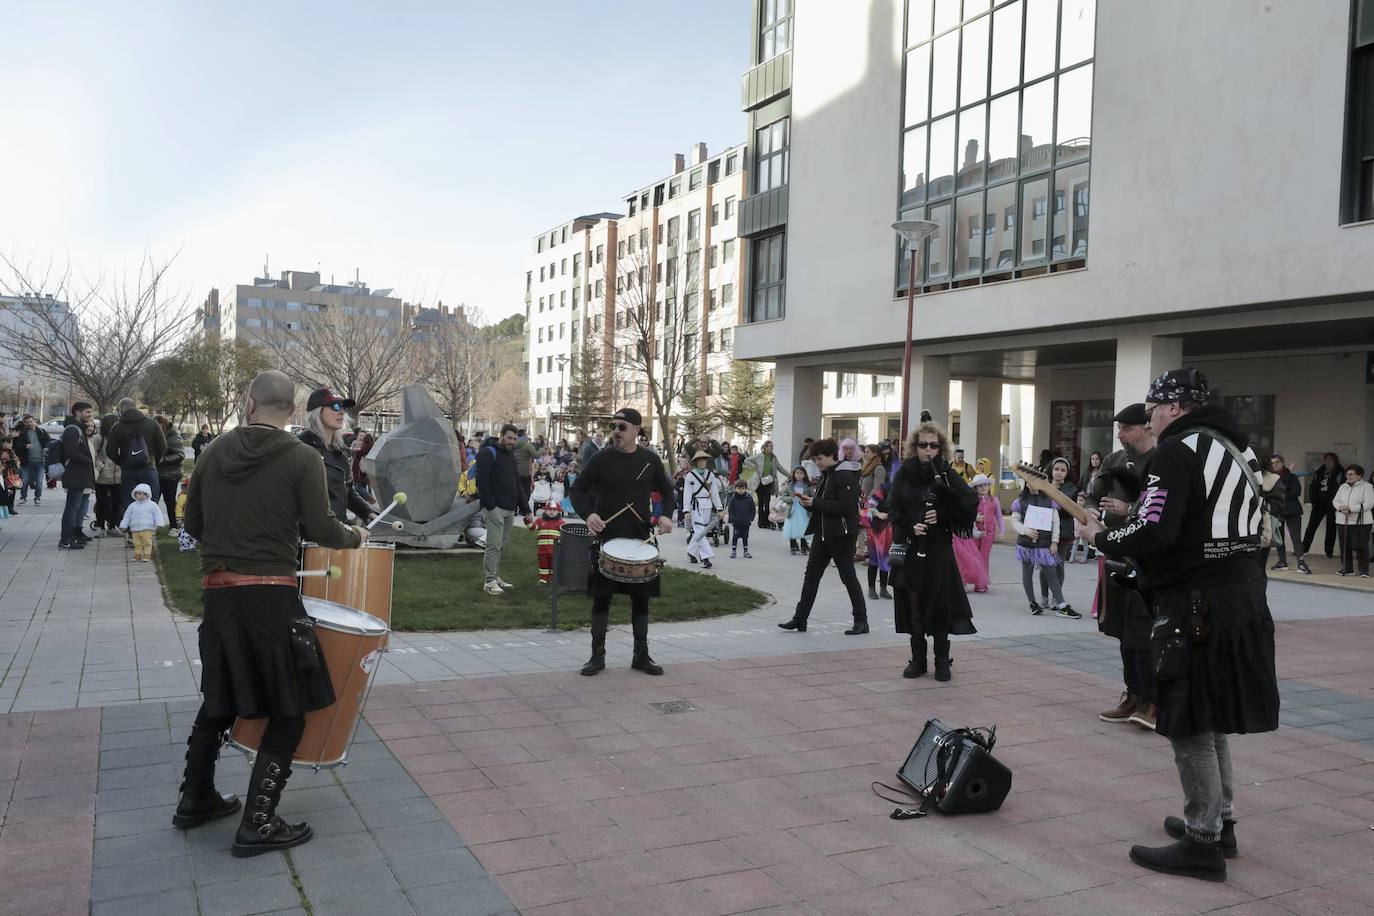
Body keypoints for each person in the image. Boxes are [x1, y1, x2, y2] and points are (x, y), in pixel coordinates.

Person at [1081, 368, 1279, 882]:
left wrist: (1102, 538)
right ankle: (1219, 822)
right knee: (1210, 714)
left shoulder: (1177, 449)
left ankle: (1202, 842)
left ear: (1173, 407)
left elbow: (1155, 529)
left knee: (1188, 718)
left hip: (1197, 606)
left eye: (1152, 409)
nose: (1149, 417)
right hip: (1242, 596)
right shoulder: (1240, 449)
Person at [177, 369, 368, 857]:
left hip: (218, 593)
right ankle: (257, 823)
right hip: (271, 595)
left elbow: (193, 519)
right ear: (291, 410)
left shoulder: (215, 450)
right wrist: (355, 537)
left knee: (220, 697)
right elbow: (322, 526)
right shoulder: (302, 457)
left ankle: (194, 797)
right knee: (289, 708)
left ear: (248, 402)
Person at [568, 408, 676, 676]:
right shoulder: (601, 459)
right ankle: (597, 655)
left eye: (621, 427)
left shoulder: (650, 461)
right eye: (613, 426)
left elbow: (668, 491)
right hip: (607, 535)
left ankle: (641, 655)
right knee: (601, 597)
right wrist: (589, 514)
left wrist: (665, 516)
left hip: (641, 537)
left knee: (641, 599)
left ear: (637, 431)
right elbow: (578, 489)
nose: (615, 431)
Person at [887, 423, 978, 680]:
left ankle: (941, 661)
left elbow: (970, 500)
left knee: (939, 605)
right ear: (914, 447)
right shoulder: (903, 474)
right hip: (912, 549)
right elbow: (893, 508)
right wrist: (909, 525)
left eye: (934, 445)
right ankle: (918, 660)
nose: (928, 450)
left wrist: (943, 514)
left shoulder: (946, 473)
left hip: (938, 549)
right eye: (923, 445)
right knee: (914, 606)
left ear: (941, 449)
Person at [1087, 403, 1159, 730]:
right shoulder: (1116, 461)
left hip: (1148, 561)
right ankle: (1132, 694)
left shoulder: (1163, 461)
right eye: (1119, 428)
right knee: (1122, 631)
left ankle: (1152, 701)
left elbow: (1162, 513)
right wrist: (1088, 513)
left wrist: (1128, 508)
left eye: (1127, 428)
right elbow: (1093, 492)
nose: (1120, 434)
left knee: (1146, 633)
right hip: (1114, 554)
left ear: (1146, 426)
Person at [777, 438, 869, 635]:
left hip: (842, 535)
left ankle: (861, 620)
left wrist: (815, 503)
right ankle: (800, 619)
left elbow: (847, 507)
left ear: (831, 456)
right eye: (815, 459)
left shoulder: (844, 475)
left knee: (848, 576)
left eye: (819, 458)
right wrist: (810, 502)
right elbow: (824, 503)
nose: (817, 462)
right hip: (823, 533)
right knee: (811, 576)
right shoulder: (827, 475)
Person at [296, 388, 377, 527]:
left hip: (337, 534)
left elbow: (347, 492)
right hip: (308, 537)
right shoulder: (300, 446)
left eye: (343, 407)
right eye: (335, 406)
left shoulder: (341, 450)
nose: (342, 411)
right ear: (318, 411)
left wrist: (368, 512)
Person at [1011, 483, 1076, 617]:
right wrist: (1026, 531)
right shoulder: (1020, 501)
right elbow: (1014, 521)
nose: (1032, 484)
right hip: (1026, 544)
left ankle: (1062, 605)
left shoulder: (1049, 501)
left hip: (1044, 545)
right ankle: (1032, 603)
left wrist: (1054, 542)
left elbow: (1055, 523)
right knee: (1027, 573)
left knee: (1051, 573)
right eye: (1029, 481)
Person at [474, 425, 521, 595]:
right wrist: (490, 505)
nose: (512, 442)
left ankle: (495, 576)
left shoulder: (511, 456)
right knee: (493, 545)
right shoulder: (488, 453)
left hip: (509, 508)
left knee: (501, 545)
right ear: (501, 436)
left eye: (515, 439)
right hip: (494, 508)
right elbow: (482, 481)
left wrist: (525, 508)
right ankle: (489, 581)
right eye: (509, 438)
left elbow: (517, 484)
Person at [106, 398, 166, 517]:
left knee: (129, 501)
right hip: (148, 467)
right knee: (151, 499)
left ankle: (132, 529)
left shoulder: (117, 427)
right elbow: (162, 445)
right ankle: (149, 528)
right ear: (135, 407)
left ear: (121, 409)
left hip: (128, 470)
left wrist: (121, 462)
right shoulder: (151, 423)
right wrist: (155, 460)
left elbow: (110, 450)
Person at [1039, 458, 1080, 608]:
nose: (1059, 473)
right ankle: (1043, 596)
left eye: (1063, 470)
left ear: (1067, 473)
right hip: (1044, 532)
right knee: (1044, 565)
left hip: (1063, 532)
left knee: (1058, 564)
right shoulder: (1042, 486)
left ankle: (1056, 597)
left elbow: (1064, 508)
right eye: (1056, 469)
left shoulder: (1071, 489)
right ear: (1051, 470)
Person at [58, 402, 96, 549]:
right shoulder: (72, 430)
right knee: (72, 508)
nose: (90, 415)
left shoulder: (79, 428)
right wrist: (88, 460)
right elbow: (71, 452)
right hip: (75, 475)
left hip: (80, 474)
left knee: (76, 507)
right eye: (87, 412)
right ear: (77, 413)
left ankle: (73, 536)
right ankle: (66, 539)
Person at [1267, 455, 1310, 574]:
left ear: (1282, 463)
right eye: (1273, 463)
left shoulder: (1291, 477)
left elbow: (1296, 492)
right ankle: (1282, 561)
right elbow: (1268, 492)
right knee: (1279, 539)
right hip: (1277, 511)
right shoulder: (1270, 478)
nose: (1275, 465)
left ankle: (1301, 563)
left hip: (1292, 511)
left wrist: (1278, 494)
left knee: (1296, 538)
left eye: (1277, 462)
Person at [684, 449, 724, 569]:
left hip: (707, 505)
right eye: (699, 460)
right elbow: (687, 494)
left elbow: (715, 493)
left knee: (701, 531)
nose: (702, 462)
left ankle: (691, 552)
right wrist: (686, 510)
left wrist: (720, 508)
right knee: (700, 531)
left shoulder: (710, 475)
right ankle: (705, 558)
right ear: (695, 462)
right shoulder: (690, 476)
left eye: (704, 460)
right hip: (695, 506)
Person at [1333, 464, 1372, 577]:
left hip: (1361, 522)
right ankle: (1347, 568)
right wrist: (1341, 507)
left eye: (1351, 474)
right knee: (1345, 546)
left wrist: (1351, 509)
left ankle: (1364, 570)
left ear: (1359, 476)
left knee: (1361, 546)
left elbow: (1369, 503)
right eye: (1347, 474)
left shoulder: (1367, 486)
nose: (1348, 476)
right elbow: (1335, 501)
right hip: (1342, 521)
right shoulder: (1342, 487)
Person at [1302, 452, 1344, 559]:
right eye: (1326, 460)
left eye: (1330, 460)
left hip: (1332, 504)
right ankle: (1304, 549)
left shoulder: (1340, 472)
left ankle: (1329, 551)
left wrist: (1336, 502)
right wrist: (1313, 499)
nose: (1328, 462)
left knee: (1331, 528)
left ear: (1335, 462)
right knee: (1311, 526)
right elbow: (1313, 485)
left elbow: (1340, 487)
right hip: (1318, 503)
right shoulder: (1320, 471)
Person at [744, 440, 785, 530]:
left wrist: (791, 475)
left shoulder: (773, 457)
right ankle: (761, 522)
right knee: (761, 502)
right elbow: (747, 460)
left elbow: (780, 468)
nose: (772, 448)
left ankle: (767, 521)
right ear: (765, 447)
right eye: (770, 446)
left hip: (769, 482)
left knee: (767, 502)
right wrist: (755, 467)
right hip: (760, 482)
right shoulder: (759, 456)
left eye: (772, 446)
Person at [91, 414, 120, 536]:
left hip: (117, 475)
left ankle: (112, 526)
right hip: (103, 475)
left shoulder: (120, 438)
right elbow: (93, 454)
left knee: (116, 502)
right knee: (101, 502)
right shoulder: (99, 438)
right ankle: (100, 526)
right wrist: (101, 465)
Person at [155, 416, 186, 530]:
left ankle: (173, 526)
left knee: (170, 502)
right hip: (157, 474)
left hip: (171, 475)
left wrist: (163, 460)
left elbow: (180, 455)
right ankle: (153, 525)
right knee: (153, 501)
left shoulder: (174, 438)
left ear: (162, 425)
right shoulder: (156, 435)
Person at [862, 488, 893, 599]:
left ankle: (883, 588)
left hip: (888, 529)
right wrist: (878, 514)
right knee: (874, 558)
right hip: (875, 529)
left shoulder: (900, 489)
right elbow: (869, 506)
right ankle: (871, 588)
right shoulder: (882, 490)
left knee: (885, 559)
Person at [120, 482, 162, 561]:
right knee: (137, 543)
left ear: (148, 495)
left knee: (147, 542)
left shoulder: (152, 505)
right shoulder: (132, 506)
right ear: (135, 494)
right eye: (139, 493)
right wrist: (123, 525)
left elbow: (158, 514)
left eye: (144, 494)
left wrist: (159, 523)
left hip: (147, 528)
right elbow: (127, 516)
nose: (141, 496)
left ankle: (147, 555)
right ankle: (138, 554)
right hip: (135, 528)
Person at [14, 415, 50, 506]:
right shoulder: (22, 434)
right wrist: (25, 446)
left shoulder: (42, 431)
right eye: (27, 422)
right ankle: (23, 498)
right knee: (25, 481)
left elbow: (49, 441)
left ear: (34, 421)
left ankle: (37, 498)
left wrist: (46, 448)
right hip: (27, 462)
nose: (29, 424)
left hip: (40, 461)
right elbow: (17, 445)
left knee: (39, 482)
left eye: (31, 421)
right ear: (24, 423)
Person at [781, 466, 813, 555]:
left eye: (801, 473)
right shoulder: (790, 484)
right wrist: (791, 499)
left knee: (803, 526)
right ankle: (793, 545)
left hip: (803, 509)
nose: (799, 475)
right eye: (797, 473)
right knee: (792, 526)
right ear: (794, 474)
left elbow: (813, 496)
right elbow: (783, 496)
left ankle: (804, 545)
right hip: (792, 509)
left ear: (804, 475)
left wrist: (806, 499)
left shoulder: (808, 486)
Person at [531, 499, 564, 584]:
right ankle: (543, 578)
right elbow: (533, 527)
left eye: (554, 510)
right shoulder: (540, 521)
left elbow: (564, 534)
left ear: (558, 512)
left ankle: (554, 578)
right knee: (543, 565)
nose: (551, 512)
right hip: (543, 550)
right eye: (549, 510)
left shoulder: (561, 522)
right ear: (545, 510)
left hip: (555, 550)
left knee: (554, 564)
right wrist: (528, 522)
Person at [727, 479, 755, 558]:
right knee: (735, 536)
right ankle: (733, 551)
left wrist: (751, 517)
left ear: (746, 489)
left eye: (743, 488)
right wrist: (732, 518)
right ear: (735, 489)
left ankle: (745, 551)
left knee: (745, 536)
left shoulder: (748, 498)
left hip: (746, 521)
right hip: (736, 522)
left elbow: (752, 508)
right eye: (739, 488)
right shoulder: (733, 499)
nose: (741, 490)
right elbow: (730, 509)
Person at [512, 428, 538, 511]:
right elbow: (535, 455)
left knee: (515, 490)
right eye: (526, 435)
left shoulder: (513, 444)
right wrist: (541, 449)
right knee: (526, 491)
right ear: (523, 435)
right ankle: (523, 508)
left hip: (515, 471)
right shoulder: (527, 445)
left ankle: (514, 508)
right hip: (525, 472)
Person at [351, 431, 376, 504]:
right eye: (360, 435)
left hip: (359, 469)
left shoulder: (366, 446)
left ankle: (369, 497)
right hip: (363, 468)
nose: (361, 437)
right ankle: (365, 503)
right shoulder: (371, 445)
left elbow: (359, 453)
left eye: (363, 436)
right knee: (362, 485)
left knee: (357, 486)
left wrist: (355, 451)